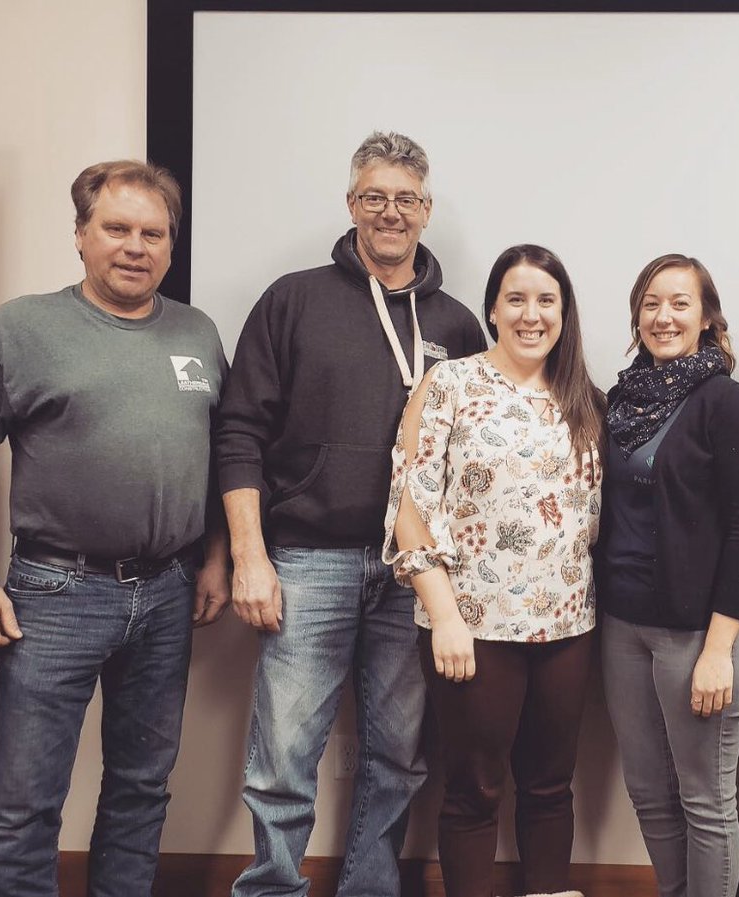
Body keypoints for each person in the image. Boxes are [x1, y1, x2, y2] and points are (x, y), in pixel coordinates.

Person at [217, 131, 486, 897]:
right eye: (375, 196)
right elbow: (239, 429)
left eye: (406, 198)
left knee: (398, 754)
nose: (390, 212)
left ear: (426, 210)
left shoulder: (460, 326)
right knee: (284, 756)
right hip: (310, 558)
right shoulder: (293, 300)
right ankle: (271, 887)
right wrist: (249, 554)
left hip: (416, 575)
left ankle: (369, 888)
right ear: (351, 204)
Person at [0, 160, 230, 897]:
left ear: (170, 246)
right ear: (81, 235)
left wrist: (214, 555)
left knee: (142, 789)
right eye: (116, 228)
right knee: (24, 803)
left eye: (153, 233)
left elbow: (219, 451)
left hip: (168, 590)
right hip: (54, 589)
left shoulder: (199, 332)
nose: (135, 246)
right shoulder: (19, 328)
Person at [385, 244, 604, 897]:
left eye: (546, 300)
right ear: (492, 308)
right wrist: (445, 614)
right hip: (471, 627)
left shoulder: (584, 397)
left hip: (567, 624)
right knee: (475, 788)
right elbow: (408, 503)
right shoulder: (450, 383)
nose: (531, 314)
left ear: (564, 313)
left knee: (548, 785)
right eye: (516, 298)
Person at [598, 254, 739, 897]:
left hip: (700, 633)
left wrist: (719, 650)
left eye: (679, 303)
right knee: (647, 791)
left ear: (706, 318)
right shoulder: (620, 402)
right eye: (650, 303)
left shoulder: (726, 404)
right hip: (622, 625)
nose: (663, 316)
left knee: (705, 798)